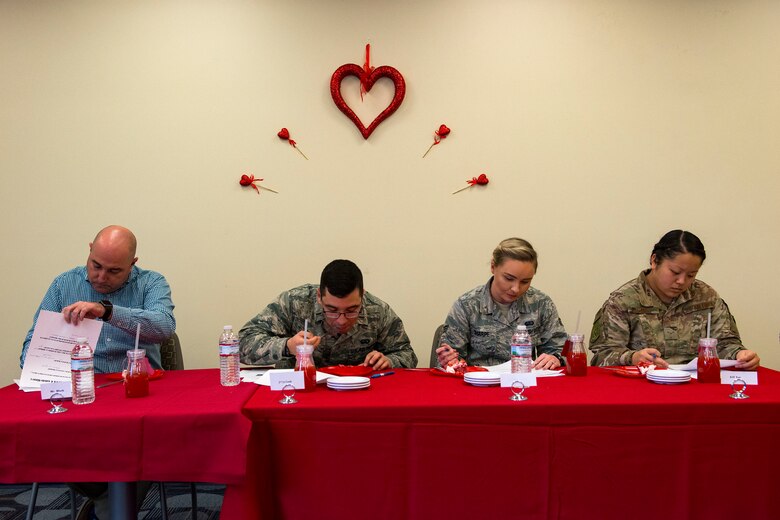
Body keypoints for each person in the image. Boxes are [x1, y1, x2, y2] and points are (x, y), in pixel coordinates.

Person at [589, 229, 760, 369]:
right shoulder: (623, 301)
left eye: (691, 275)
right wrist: (632, 357)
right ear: (654, 261)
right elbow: (602, 356)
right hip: (643, 387)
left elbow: (725, 344)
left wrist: (740, 355)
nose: (681, 281)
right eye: (675, 272)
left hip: (695, 386)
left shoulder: (707, 297)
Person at [21, 225, 176, 373]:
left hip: (140, 382)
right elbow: (32, 344)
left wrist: (107, 312)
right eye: (96, 266)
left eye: (114, 271)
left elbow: (165, 327)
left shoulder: (151, 283)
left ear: (132, 264)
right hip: (85, 386)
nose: (101, 277)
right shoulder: (63, 285)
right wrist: (36, 361)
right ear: (90, 250)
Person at [239, 259, 418, 370]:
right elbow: (241, 344)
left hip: (357, 397)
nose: (341, 320)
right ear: (319, 296)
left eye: (351, 310)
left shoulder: (378, 310)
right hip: (300, 394)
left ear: (362, 296)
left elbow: (407, 354)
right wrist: (287, 346)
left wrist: (388, 360)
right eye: (332, 310)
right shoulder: (294, 302)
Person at [436, 237, 567, 369]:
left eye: (525, 281)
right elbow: (450, 358)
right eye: (509, 278)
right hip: (480, 384)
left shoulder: (541, 304)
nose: (516, 288)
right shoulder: (466, 306)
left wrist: (555, 358)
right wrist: (450, 360)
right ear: (493, 267)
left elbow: (559, 349)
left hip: (525, 382)